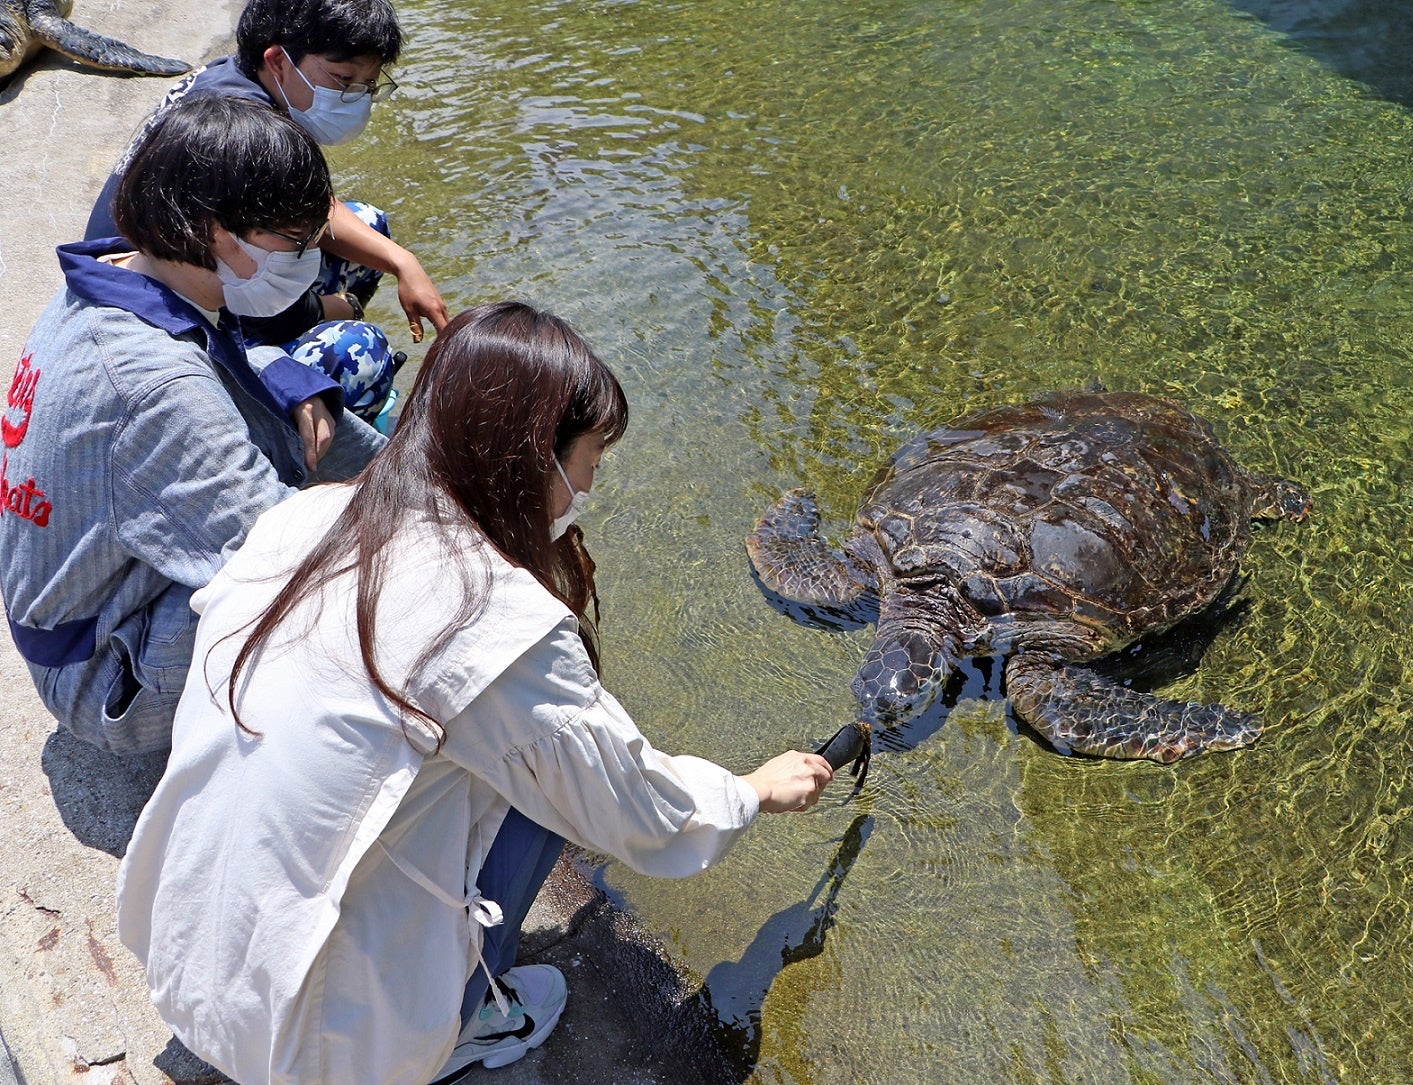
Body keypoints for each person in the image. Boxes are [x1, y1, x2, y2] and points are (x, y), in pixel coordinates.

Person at [116, 301, 836, 1085]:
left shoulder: (308, 515)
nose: (592, 479)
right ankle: (462, 1018)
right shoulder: (490, 619)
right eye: (593, 453)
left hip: (183, 949)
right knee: (548, 783)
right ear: (535, 454)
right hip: (316, 1046)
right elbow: (638, 811)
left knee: (507, 753)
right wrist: (751, 790)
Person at [0, 94, 384, 756]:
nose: (307, 259)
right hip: (103, 677)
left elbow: (230, 351)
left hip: (77, 603)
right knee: (320, 594)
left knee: (298, 422)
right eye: (297, 244)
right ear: (215, 233)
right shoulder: (156, 385)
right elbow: (290, 564)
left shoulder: (115, 270)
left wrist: (303, 392)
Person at [82, 0, 449, 422]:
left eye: (368, 85)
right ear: (278, 60)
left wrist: (402, 261)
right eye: (344, 80)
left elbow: (303, 216)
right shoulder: (243, 134)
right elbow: (243, 284)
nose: (358, 98)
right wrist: (339, 307)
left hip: (174, 272)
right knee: (358, 354)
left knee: (369, 228)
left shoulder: (230, 80)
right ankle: (309, 447)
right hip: (173, 308)